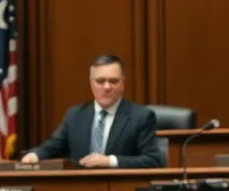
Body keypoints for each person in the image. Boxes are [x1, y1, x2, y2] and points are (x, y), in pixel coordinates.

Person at [21, 54, 163, 168]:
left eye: (113, 81)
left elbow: (153, 160)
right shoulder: (75, 116)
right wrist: (35, 155)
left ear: (123, 84)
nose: (107, 87)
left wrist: (110, 161)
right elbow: (52, 147)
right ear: (91, 83)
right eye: (100, 81)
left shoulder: (141, 116)